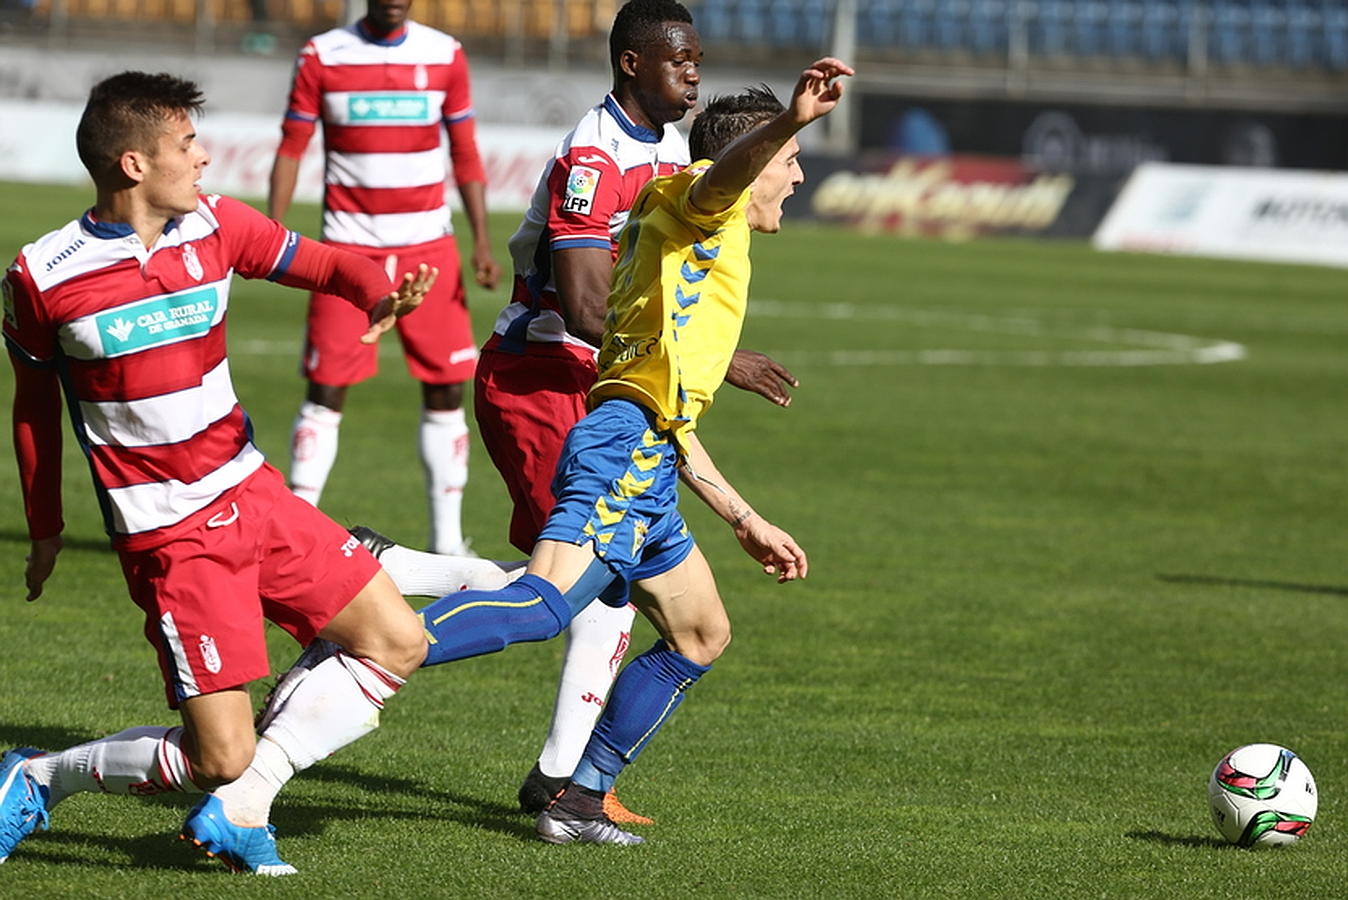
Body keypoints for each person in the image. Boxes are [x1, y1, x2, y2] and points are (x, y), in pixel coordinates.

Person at [404, 56, 849, 845]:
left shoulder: (703, 232)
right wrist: (791, 118)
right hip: (617, 445)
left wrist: (743, 517)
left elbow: (669, 405)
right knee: (547, 607)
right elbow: (721, 182)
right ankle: (366, 642)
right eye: (790, 162)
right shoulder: (701, 198)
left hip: (649, 453)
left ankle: (578, 798)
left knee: (701, 632)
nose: (800, 175)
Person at [0, 71, 432, 874]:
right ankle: (37, 776)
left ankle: (240, 810)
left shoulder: (217, 224)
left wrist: (379, 294)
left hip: (255, 493)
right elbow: (32, 408)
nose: (204, 159)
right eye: (187, 145)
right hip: (171, 536)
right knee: (218, 757)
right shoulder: (42, 276)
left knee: (398, 639)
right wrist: (48, 529)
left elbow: (330, 265)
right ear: (133, 164)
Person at [476, 0, 799, 822]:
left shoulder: (657, 152)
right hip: (545, 371)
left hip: (602, 382)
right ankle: (563, 781)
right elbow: (588, 307)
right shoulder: (595, 154)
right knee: (577, 588)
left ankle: (572, 783)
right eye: (679, 59)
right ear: (631, 63)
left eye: (697, 59)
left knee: (604, 588)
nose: (694, 71)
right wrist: (716, 365)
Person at [268, 0, 500, 555]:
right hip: (348, 252)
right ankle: (293, 540)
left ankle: (446, 543)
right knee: (325, 391)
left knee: (446, 390)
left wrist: (483, 242)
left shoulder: (444, 54)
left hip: (429, 247)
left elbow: (464, 151)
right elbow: (291, 146)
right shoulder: (323, 54)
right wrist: (272, 235)